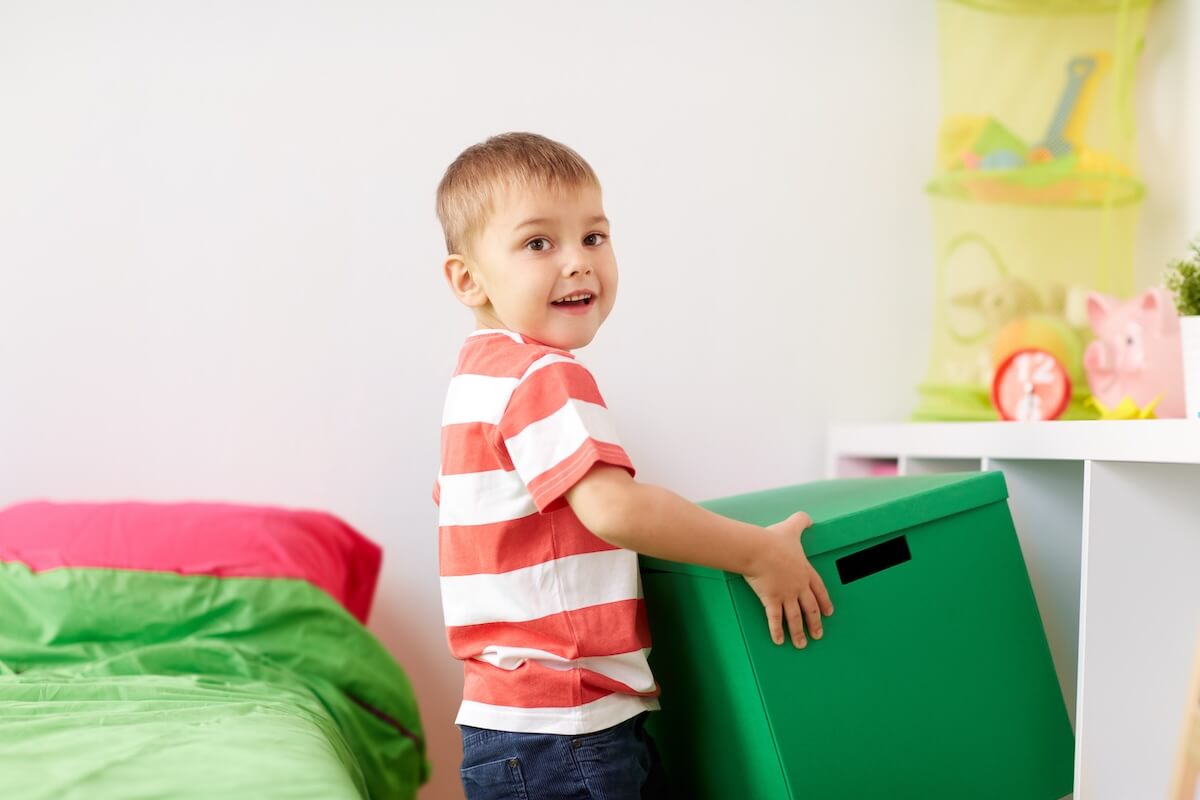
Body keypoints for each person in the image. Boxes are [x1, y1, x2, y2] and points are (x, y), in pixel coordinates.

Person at [434, 132, 833, 800]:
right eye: (539, 243)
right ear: (467, 277)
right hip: (569, 725)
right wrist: (757, 554)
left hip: (510, 727)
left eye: (594, 237)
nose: (578, 263)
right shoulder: (545, 374)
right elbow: (616, 509)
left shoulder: (475, 381)